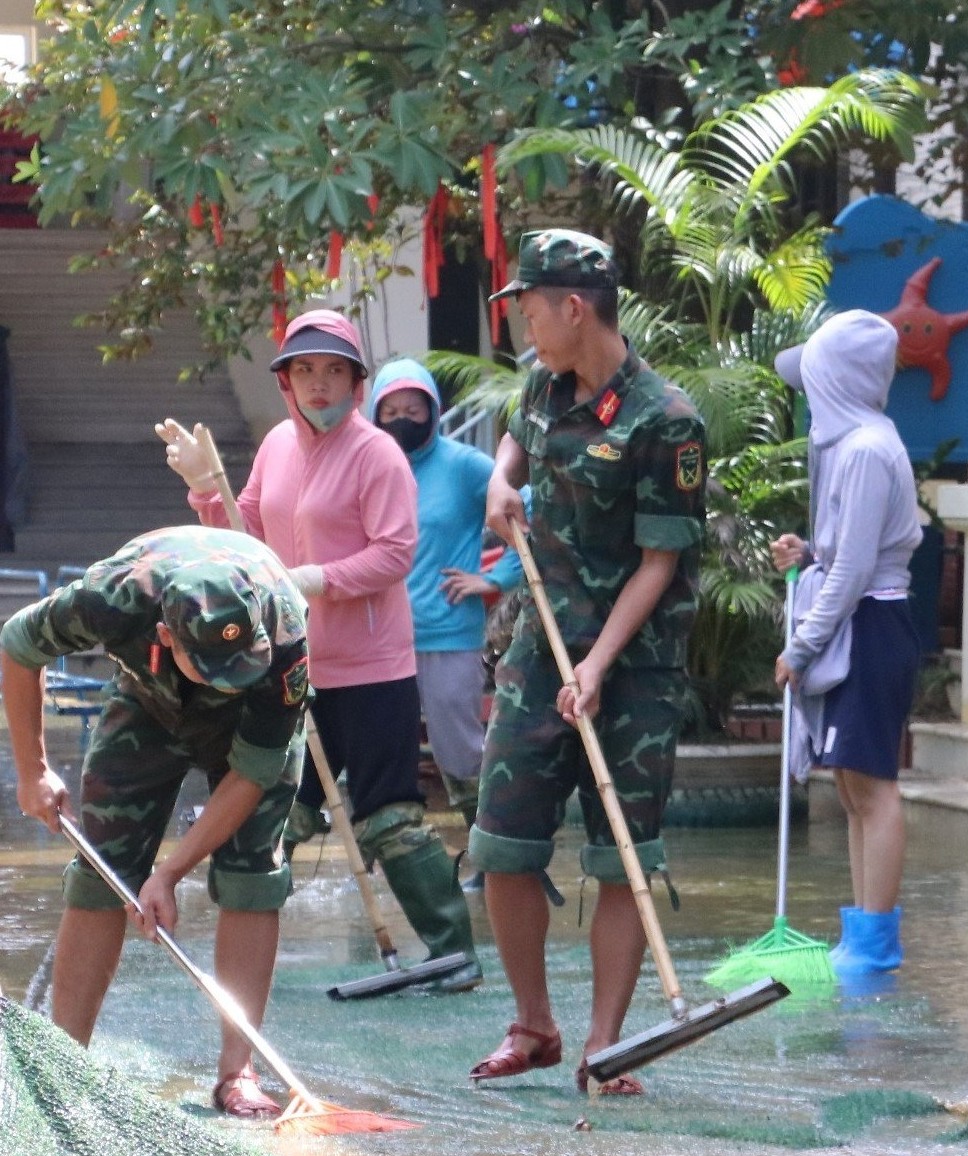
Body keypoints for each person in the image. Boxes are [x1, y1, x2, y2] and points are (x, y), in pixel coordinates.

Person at [160, 309, 478, 992]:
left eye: (334, 371)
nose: (319, 384)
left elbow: (396, 552)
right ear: (285, 380)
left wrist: (317, 579)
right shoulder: (277, 445)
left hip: (370, 667)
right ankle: (237, 956)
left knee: (388, 814)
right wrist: (203, 486)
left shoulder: (378, 454)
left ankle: (455, 948)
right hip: (290, 662)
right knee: (282, 804)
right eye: (305, 370)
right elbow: (244, 527)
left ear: (356, 382)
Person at [469, 229, 707, 1095]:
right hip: (540, 646)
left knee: (623, 857)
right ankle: (532, 1022)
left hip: (632, 665)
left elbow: (660, 562)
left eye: (529, 305)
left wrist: (600, 663)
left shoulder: (666, 420)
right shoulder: (543, 382)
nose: (522, 320)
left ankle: (604, 1047)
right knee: (501, 840)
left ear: (574, 307)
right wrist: (502, 479)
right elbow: (516, 436)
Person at [2, 527, 311, 1117]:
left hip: (252, 727)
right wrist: (33, 771)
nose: (229, 676)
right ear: (167, 636)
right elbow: (18, 646)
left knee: (252, 873)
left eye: (239, 662)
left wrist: (169, 872)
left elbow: (250, 775)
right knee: (101, 867)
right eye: (216, 668)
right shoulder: (111, 599)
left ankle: (236, 1072)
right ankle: (67, 1062)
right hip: (148, 701)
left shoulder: (283, 636)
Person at [770, 310, 924, 977]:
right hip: (861, 615)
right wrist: (809, 551)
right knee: (853, 783)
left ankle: (876, 943)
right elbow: (846, 550)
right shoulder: (858, 444)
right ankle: (861, 929)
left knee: (872, 782)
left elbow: (859, 569)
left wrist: (801, 646)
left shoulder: (864, 449)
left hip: (873, 621)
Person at [367, 358, 521, 830]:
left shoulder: (463, 466)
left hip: (448, 635)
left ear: (434, 411)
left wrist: (496, 580)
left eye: (414, 409)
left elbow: (526, 510)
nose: (402, 420)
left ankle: (492, 852)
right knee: (380, 758)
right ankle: (393, 860)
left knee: (460, 754)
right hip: (375, 641)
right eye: (390, 410)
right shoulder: (367, 467)